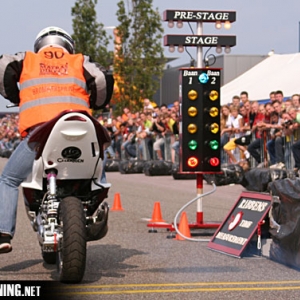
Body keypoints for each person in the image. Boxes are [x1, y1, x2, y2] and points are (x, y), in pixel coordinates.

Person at [0, 26, 114, 253]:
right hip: (79, 125)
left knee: (9, 179)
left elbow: (1, 66)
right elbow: (103, 78)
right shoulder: (80, 61)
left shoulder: (27, 59)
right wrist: (98, 104)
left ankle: (3, 233)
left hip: (40, 130)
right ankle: (96, 197)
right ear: (67, 45)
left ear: (41, 44)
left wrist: (15, 95)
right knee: (98, 151)